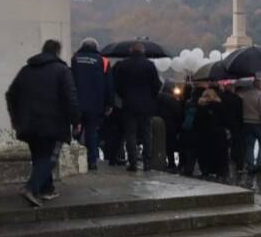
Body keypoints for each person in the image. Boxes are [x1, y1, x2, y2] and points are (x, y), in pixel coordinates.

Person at [6, 40, 81, 207]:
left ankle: (47, 189)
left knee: (39, 156)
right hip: (53, 123)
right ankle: (31, 188)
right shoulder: (62, 70)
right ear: (57, 52)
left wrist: (16, 118)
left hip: (29, 124)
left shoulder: (26, 70)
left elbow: (11, 94)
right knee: (49, 158)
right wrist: (76, 121)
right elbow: (71, 98)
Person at [112, 42, 161, 172]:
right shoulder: (149, 65)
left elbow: (117, 85)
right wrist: (151, 97)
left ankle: (133, 162)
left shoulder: (124, 65)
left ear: (130, 50)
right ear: (143, 51)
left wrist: (124, 96)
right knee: (146, 134)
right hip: (146, 104)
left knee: (130, 134)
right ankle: (147, 163)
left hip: (129, 104)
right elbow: (157, 84)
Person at [71, 38, 113, 171]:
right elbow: (109, 85)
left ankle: (74, 158)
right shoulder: (104, 61)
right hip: (95, 103)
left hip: (77, 102)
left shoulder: (75, 59)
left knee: (76, 130)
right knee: (92, 132)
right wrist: (109, 104)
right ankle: (92, 161)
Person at [195, 87, 228, 177]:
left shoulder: (200, 107)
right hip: (218, 134)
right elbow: (225, 119)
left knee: (204, 153)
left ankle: (205, 170)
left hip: (204, 134)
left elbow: (197, 122)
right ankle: (219, 171)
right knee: (219, 153)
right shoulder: (219, 105)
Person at [240, 78, 261, 173]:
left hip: (247, 122)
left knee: (249, 145)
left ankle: (250, 165)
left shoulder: (245, 95)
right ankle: (259, 164)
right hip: (258, 123)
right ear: (260, 86)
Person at [158, 81, 184, 170]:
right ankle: (171, 163)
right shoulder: (172, 99)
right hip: (171, 124)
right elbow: (178, 112)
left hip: (160, 122)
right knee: (170, 144)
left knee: (160, 143)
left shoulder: (158, 96)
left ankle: (159, 160)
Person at [219, 82, 245, 172]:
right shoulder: (237, 99)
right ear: (232, 88)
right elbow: (241, 113)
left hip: (223, 123)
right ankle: (238, 164)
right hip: (236, 124)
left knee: (224, 144)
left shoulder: (220, 98)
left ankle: (225, 163)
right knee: (237, 144)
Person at [179, 85, 202, 176]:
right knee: (193, 150)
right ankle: (190, 168)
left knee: (187, 149)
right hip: (195, 130)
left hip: (186, 129)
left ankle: (186, 167)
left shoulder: (187, 103)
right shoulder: (200, 104)